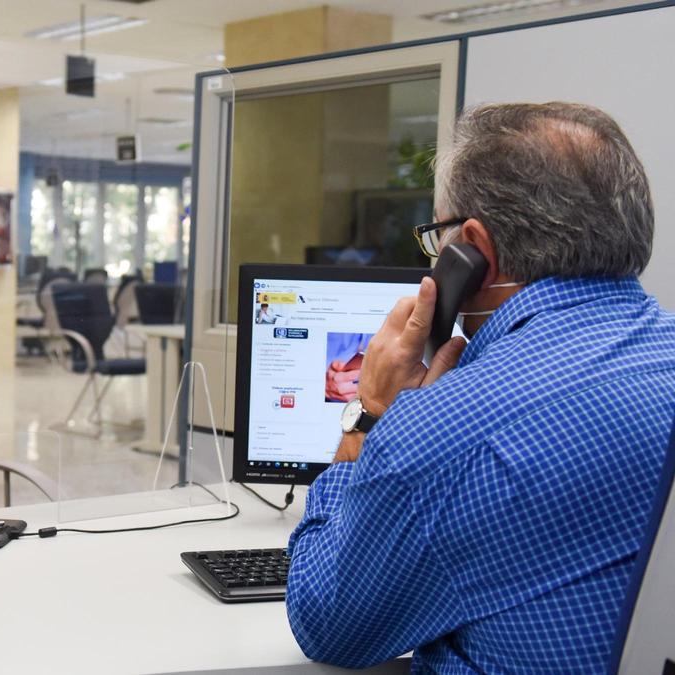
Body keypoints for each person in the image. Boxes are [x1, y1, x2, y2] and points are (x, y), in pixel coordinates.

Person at [285, 102, 675, 671]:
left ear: (472, 250)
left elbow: (328, 627)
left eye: (438, 238)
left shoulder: (439, 431)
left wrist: (368, 416)